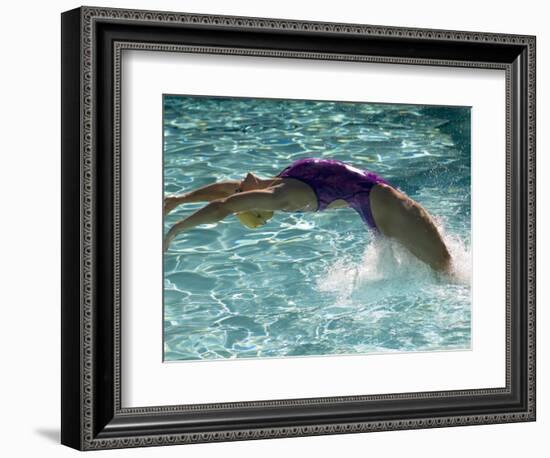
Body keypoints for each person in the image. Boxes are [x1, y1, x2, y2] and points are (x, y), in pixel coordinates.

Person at [164, 157, 451, 271]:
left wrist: (180, 200)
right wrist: (176, 230)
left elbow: (226, 194)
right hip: (386, 205)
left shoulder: (276, 182)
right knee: (446, 270)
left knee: (440, 267)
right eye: (242, 194)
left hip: (378, 205)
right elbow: (224, 207)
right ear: (253, 203)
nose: (239, 185)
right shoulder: (282, 197)